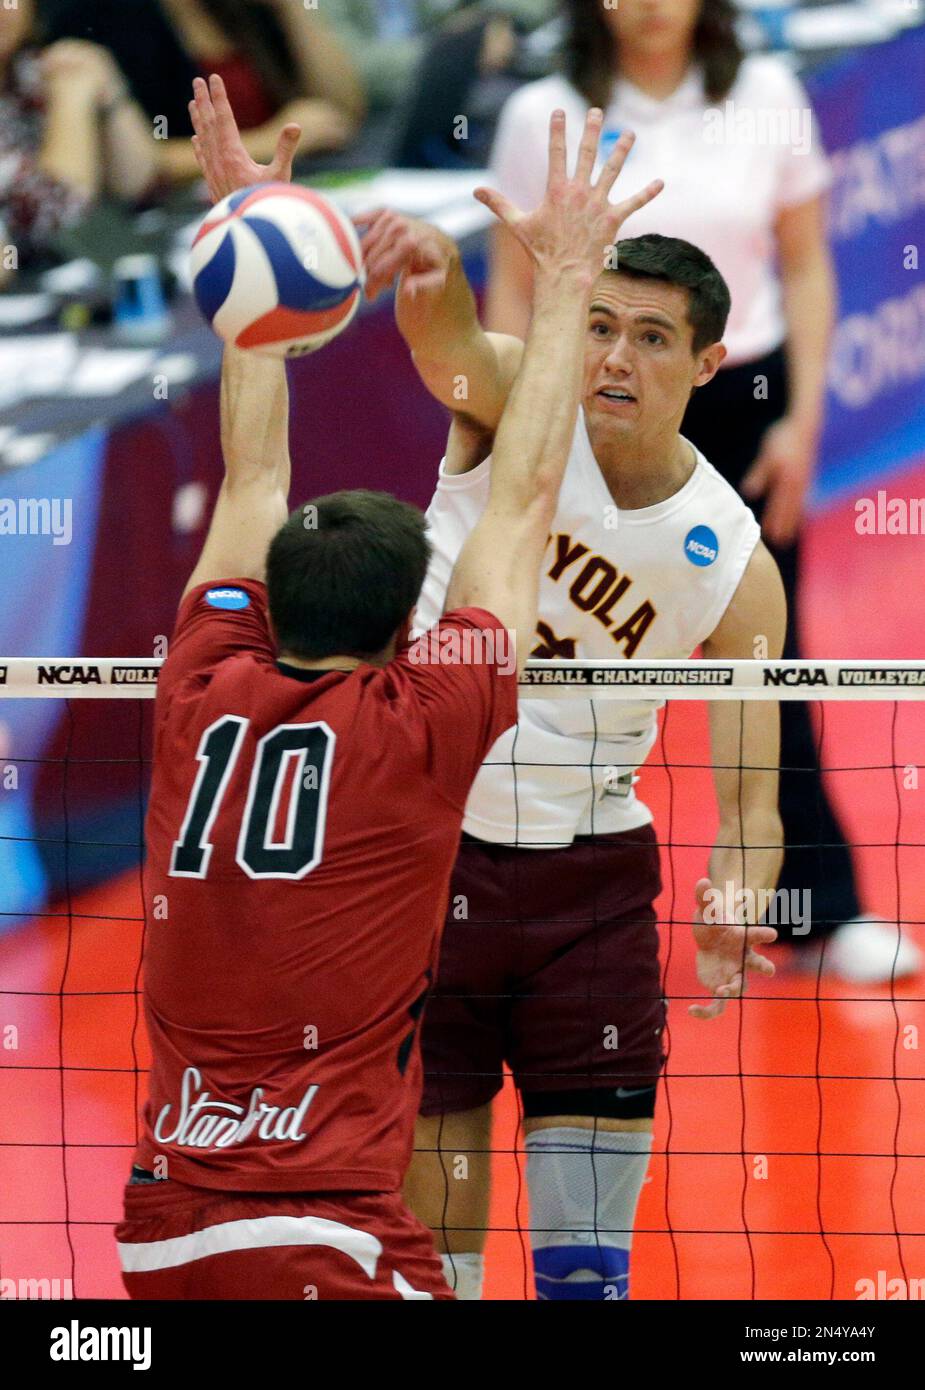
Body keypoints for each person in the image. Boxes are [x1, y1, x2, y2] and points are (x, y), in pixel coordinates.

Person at [186, 74, 784, 1304]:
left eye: (650, 338)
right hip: (427, 865)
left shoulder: (735, 566)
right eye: (601, 324)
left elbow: (752, 792)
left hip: (593, 891)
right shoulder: (518, 392)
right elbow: (447, 346)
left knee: (582, 1275)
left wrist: (739, 889)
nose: (613, 358)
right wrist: (430, 274)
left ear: (710, 362)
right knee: (440, 1272)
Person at [481, 0, 922, 983]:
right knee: (553, 660)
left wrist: (803, 422)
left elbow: (805, 267)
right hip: (585, 408)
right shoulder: (540, 116)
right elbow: (512, 287)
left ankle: (816, 911)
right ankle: (520, 917)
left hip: (737, 403)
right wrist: (522, 425)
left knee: (767, 659)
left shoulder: (764, 95)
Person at [45, 0, 364, 185]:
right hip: (189, 216)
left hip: (295, 188)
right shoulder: (98, 15)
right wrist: (269, 143)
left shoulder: (237, 9)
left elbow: (342, 111)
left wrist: (292, 8)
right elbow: (142, 162)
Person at [0, 0, 156, 284]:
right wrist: (71, 99)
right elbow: (59, 216)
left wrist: (110, 93)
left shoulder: (30, 72)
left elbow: (138, 185)